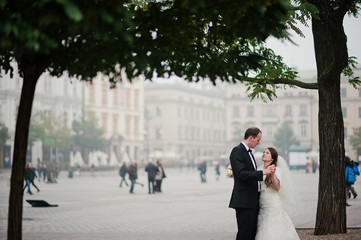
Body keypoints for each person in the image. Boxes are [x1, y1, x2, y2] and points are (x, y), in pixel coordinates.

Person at [228, 127, 275, 240]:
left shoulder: (249, 153)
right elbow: (241, 174)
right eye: (258, 140)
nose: (259, 143)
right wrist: (264, 172)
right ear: (250, 138)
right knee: (244, 234)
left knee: (252, 234)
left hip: (253, 200)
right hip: (244, 201)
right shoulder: (237, 151)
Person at [255, 147, 299, 240]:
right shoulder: (258, 169)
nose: (264, 153)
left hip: (273, 203)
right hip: (261, 202)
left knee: (272, 227)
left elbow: (277, 187)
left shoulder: (277, 170)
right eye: (264, 152)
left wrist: (271, 174)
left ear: (272, 158)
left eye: (267, 153)